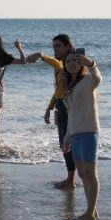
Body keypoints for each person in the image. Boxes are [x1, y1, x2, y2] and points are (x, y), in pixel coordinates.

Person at [26, 34, 76, 189]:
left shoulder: (69, 62)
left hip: (69, 106)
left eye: (58, 45)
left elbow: (59, 66)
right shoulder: (60, 64)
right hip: (61, 105)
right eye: (54, 46)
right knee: (64, 143)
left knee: (67, 143)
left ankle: (71, 179)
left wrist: (41, 56)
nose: (55, 48)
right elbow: (59, 90)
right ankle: (71, 178)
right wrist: (49, 108)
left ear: (68, 47)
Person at [62, 51, 102, 220]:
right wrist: (67, 137)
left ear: (81, 63)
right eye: (68, 61)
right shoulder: (70, 86)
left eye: (75, 60)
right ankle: (91, 210)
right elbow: (71, 114)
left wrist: (91, 63)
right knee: (82, 174)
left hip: (88, 132)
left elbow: (98, 77)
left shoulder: (88, 80)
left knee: (90, 173)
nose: (71, 63)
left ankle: (90, 213)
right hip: (75, 134)